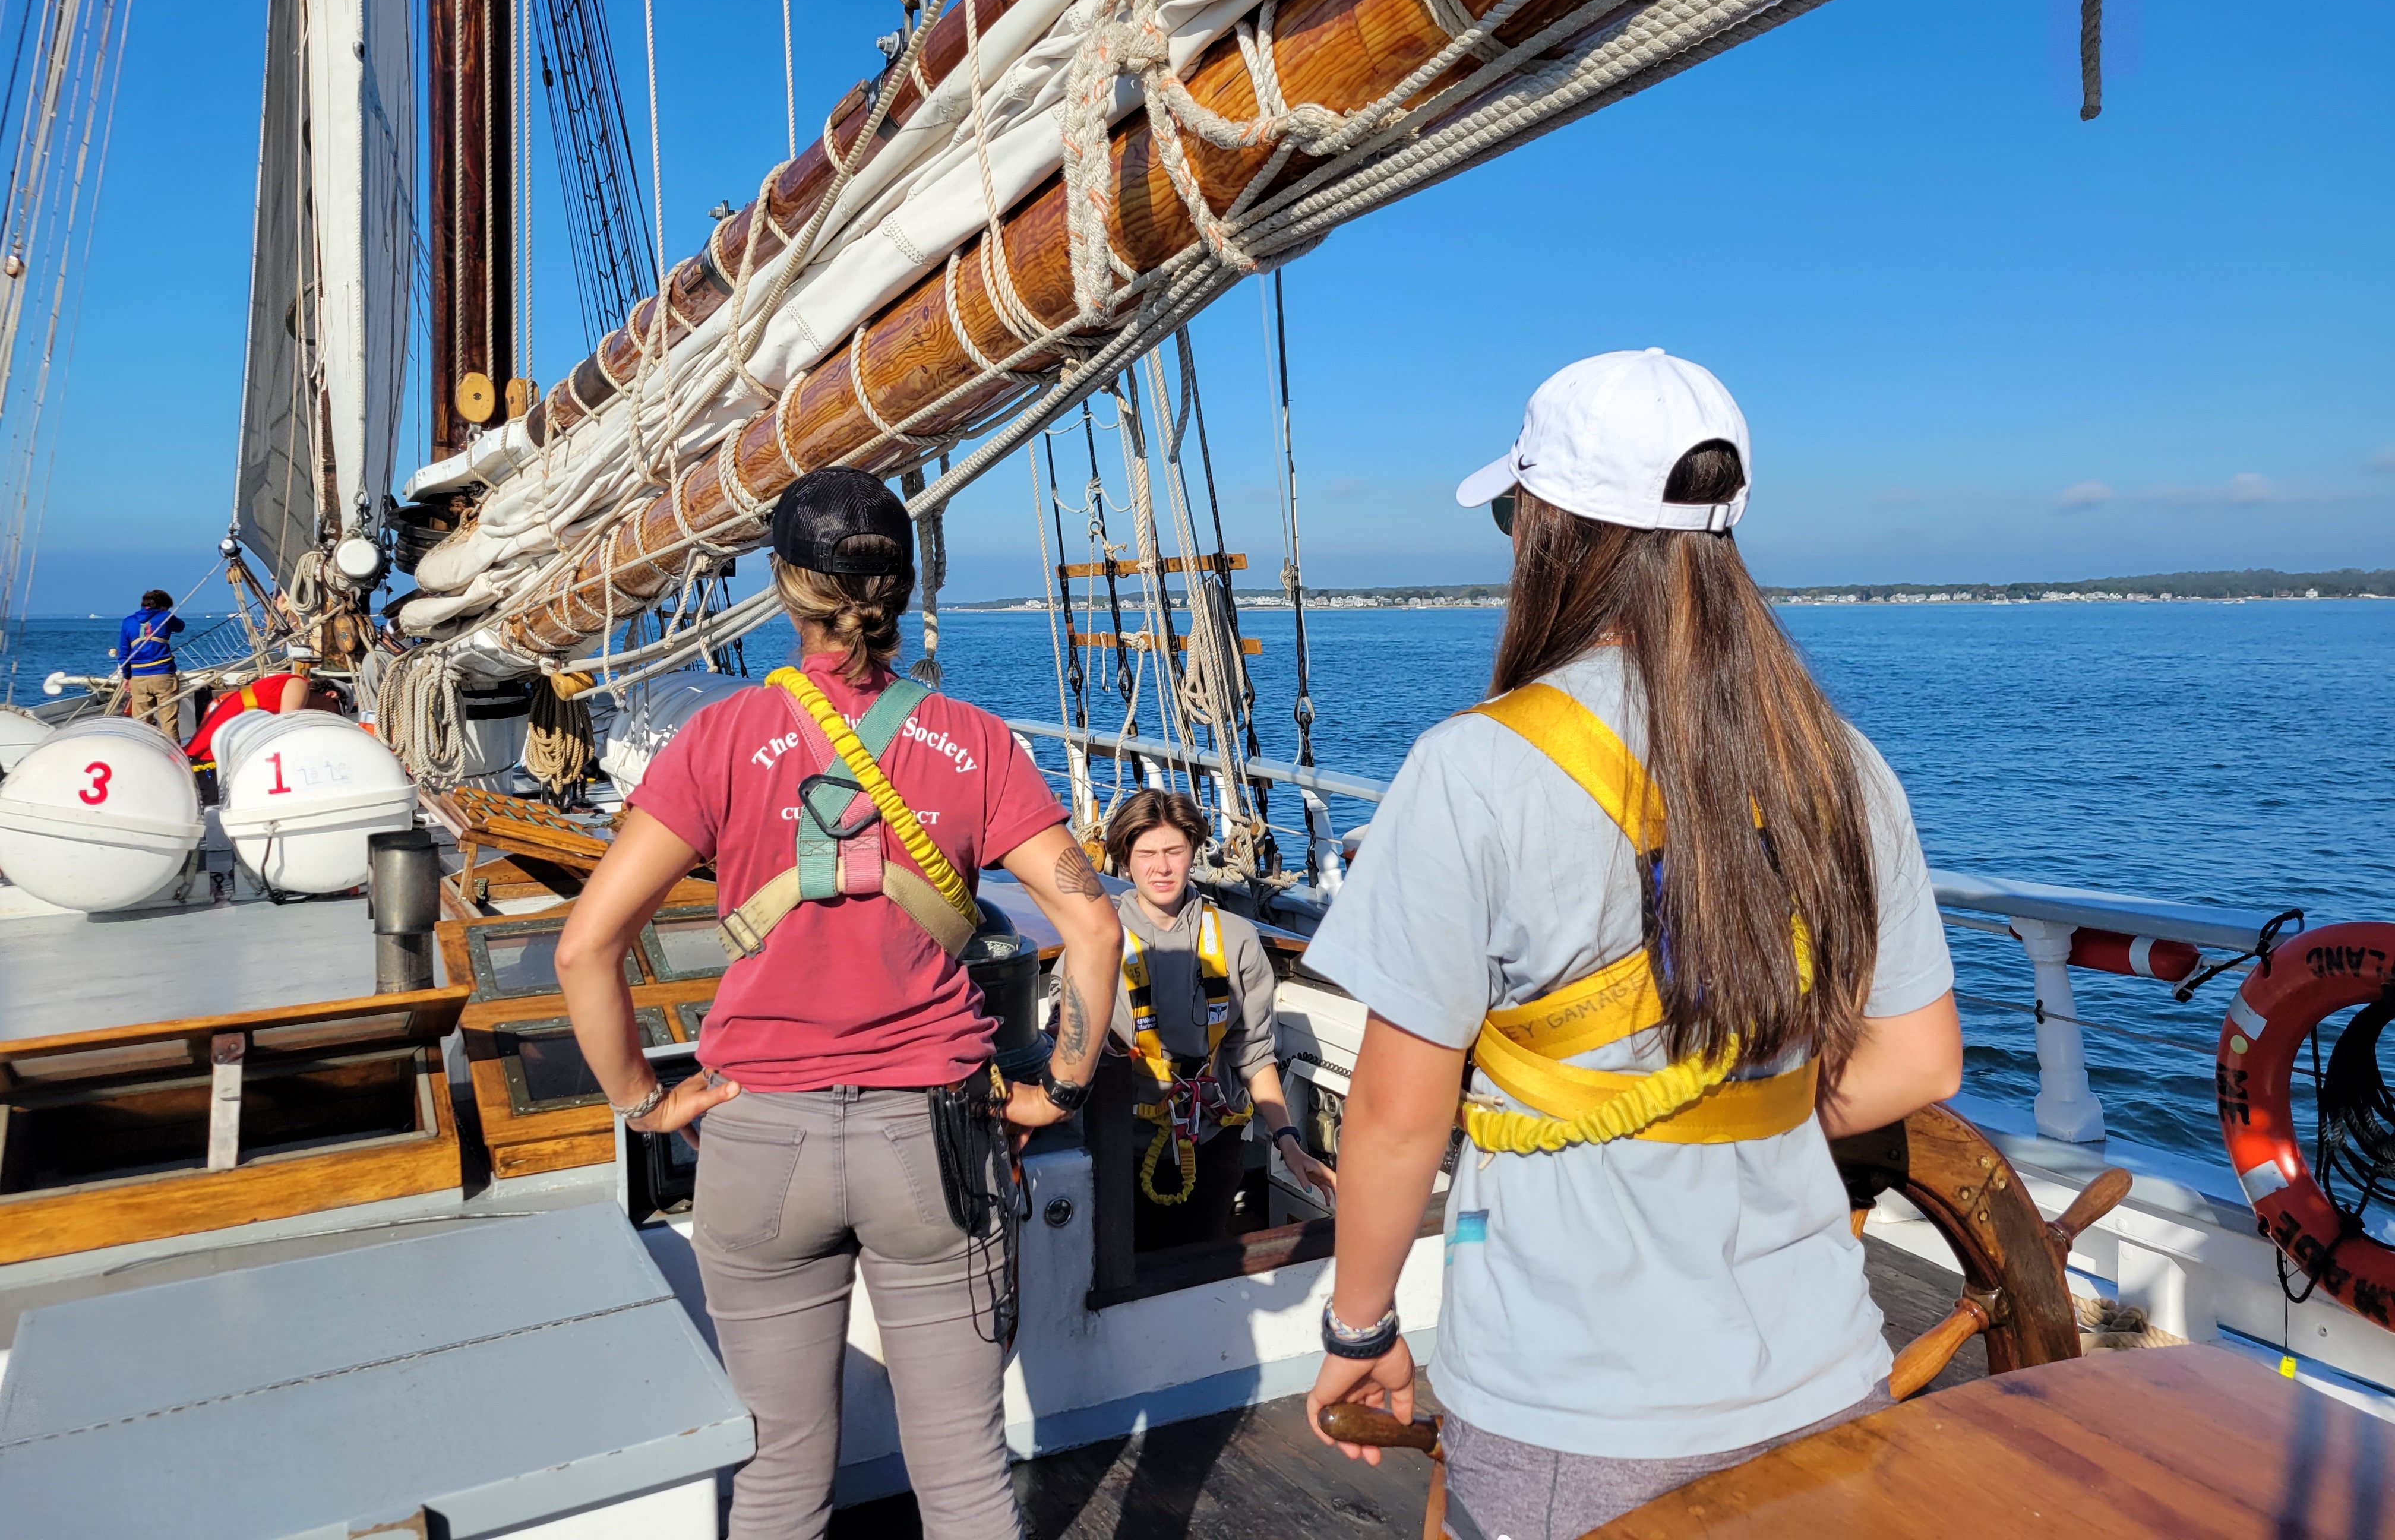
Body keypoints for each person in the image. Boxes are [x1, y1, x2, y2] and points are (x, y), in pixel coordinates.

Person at [1301, 350, 1962, 1540]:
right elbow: (1921, 1065)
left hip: (1578, 1414)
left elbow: (1398, 1116)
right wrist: (1722, 1123)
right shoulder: (1840, 764)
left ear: (1551, 529)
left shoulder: (1474, 769)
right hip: (1825, 1372)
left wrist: (1359, 1329)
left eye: (1513, 512)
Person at [555, 466, 1124, 1540]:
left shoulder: (716, 740)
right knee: (964, 1479)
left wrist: (646, 1100)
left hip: (759, 1137)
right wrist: (1059, 1081)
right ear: (906, 586)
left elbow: (587, 945)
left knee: (776, 1481)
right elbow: (1092, 924)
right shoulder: (977, 740)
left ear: (783, 585)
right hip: (939, 1145)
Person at [1101, 789, 1338, 1250]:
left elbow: (1253, 1055)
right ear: (1126, 860)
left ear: (1194, 852)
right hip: (1119, 1148)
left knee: (1199, 1265)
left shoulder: (1237, 939)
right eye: (1147, 853)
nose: (1162, 867)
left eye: (1174, 851)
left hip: (1212, 1146)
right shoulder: (1097, 941)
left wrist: (1290, 1143)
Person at [182, 646, 343, 766]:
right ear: (331, 695)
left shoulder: (289, 689)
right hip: (207, 760)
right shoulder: (298, 684)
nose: (330, 718)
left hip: (214, 756)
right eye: (336, 713)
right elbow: (287, 728)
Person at [112, 590, 185, 739]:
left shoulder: (128, 622)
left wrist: (128, 677)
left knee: (142, 723)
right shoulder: (165, 617)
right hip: (163, 675)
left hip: (139, 678)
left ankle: (144, 753)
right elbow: (180, 627)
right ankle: (173, 758)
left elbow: (124, 654)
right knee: (169, 722)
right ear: (163, 606)